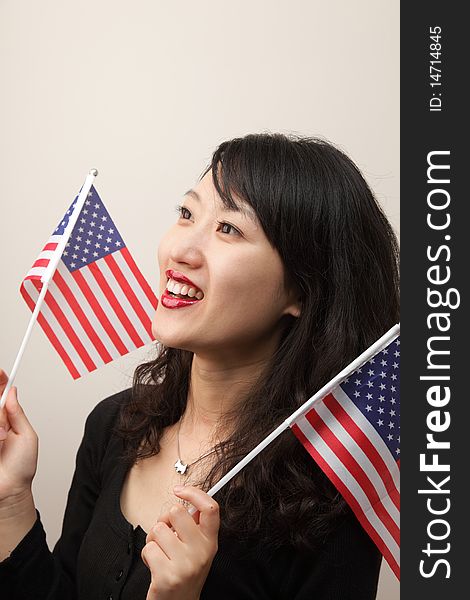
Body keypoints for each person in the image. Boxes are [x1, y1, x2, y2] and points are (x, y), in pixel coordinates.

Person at [0, 132, 399, 599]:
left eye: (228, 229)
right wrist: (11, 501)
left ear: (300, 291)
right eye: (187, 214)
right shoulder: (113, 424)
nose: (180, 253)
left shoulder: (334, 489)